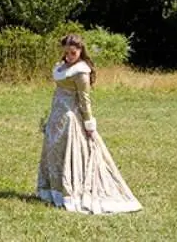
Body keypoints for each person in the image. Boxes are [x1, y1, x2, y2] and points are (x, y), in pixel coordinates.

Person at [36, 34, 142, 214]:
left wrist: (88, 123)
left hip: (70, 117)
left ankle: (72, 192)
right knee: (54, 152)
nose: (69, 55)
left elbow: (85, 100)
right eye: (67, 52)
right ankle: (53, 191)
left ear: (80, 51)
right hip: (57, 115)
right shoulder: (61, 67)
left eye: (73, 52)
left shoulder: (81, 72)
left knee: (70, 153)